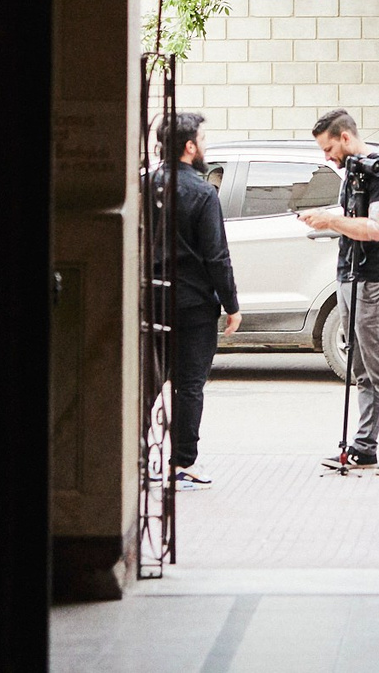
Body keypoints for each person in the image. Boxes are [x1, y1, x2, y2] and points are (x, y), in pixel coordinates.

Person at [301, 108, 379, 470]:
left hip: (372, 281)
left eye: (328, 148)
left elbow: (377, 229)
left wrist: (331, 219)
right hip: (349, 277)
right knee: (362, 368)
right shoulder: (352, 175)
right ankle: (365, 445)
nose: (327, 157)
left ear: (346, 138)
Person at [162, 111, 242, 489]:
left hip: (151, 298)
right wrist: (231, 304)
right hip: (193, 303)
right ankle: (183, 462)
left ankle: (136, 458)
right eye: (204, 140)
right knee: (190, 384)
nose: (205, 147)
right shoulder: (202, 193)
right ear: (190, 147)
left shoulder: (144, 185)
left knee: (146, 383)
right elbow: (216, 256)